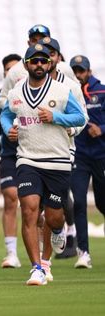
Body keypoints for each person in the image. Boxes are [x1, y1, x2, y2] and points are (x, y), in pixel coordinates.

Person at [0, 44, 86, 285]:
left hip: (57, 160)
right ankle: (37, 267)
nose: (38, 65)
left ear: (49, 64)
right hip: (27, 159)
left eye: (42, 61)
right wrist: (9, 129)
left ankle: (59, 231)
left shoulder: (62, 91)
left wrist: (55, 117)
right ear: (26, 65)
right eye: (33, 61)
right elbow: (6, 114)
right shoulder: (16, 92)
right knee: (29, 209)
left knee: (54, 217)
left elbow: (80, 117)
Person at [36, 37, 88, 280]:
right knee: (36, 202)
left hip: (63, 148)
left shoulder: (70, 85)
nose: (47, 58)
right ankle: (49, 247)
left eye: (52, 53)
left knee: (55, 197)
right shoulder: (28, 83)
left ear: (57, 57)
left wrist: (70, 128)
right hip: (35, 149)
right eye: (43, 54)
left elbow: (82, 117)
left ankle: (60, 228)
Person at [0, 53, 22, 269]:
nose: (12, 72)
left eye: (15, 67)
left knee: (34, 205)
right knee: (11, 197)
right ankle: (11, 253)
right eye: (8, 69)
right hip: (9, 154)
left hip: (35, 153)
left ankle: (39, 250)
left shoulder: (35, 91)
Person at [69, 55, 105, 269]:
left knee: (102, 202)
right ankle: (84, 253)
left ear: (89, 72)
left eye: (81, 71)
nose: (78, 75)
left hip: (101, 155)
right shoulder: (70, 93)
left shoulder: (102, 91)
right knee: (79, 203)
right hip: (79, 156)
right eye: (75, 71)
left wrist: (101, 130)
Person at [0, 24, 77, 109]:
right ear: (28, 43)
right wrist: (20, 109)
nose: (39, 44)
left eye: (42, 39)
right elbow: (2, 100)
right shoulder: (15, 71)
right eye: (34, 40)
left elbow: (77, 93)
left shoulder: (64, 68)